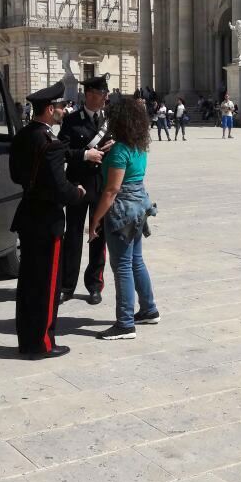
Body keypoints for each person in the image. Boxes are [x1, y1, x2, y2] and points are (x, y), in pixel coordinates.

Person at [9, 81, 85, 360]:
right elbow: (60, 189)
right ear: (50, 109)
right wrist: (77, 192)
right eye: (62, 106)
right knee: (47, 285)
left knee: (28, 283)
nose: (64, 110)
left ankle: (27, 339)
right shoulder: (49, 143)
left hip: (28, 215)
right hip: (47, 220)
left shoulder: (23, 136)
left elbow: (17, 175)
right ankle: (42, 342)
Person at [89, 97, 159, 340]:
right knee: (136, 260)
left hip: (123, 211)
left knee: (122, 266)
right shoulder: (138, 146)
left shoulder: (120, 150)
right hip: (140, 206)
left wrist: (94, 220)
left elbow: (111, 191)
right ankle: (149, 309)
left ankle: (125, 323)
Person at [58, 73, 114, 305]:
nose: (105, 98)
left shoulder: (109, 119)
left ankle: (94, 284)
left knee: (98, 237)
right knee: (72, 236)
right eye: (102, 94)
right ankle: (67, 285)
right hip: (78, 185)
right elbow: (61, 151)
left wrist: (113, 146)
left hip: (101, 186)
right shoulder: (72, 120)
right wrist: (84, 154)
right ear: (90, 95)